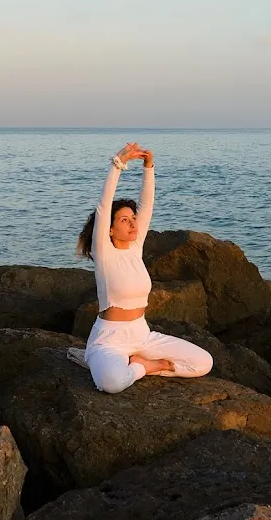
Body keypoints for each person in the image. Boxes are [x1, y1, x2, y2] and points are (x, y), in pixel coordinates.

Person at [75, 142, 214, 393]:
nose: (132, 224)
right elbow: (104, 206)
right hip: (109, 341)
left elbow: (146, 205)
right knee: (111, 384)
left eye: (133, 219)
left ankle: (138, 364)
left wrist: (148, 167)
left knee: (204, 363)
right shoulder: (104, 253)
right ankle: (143, 367)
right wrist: (118, 163)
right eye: (124, 220)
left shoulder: (135, 247)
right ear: (109, 229)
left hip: (142, 335)